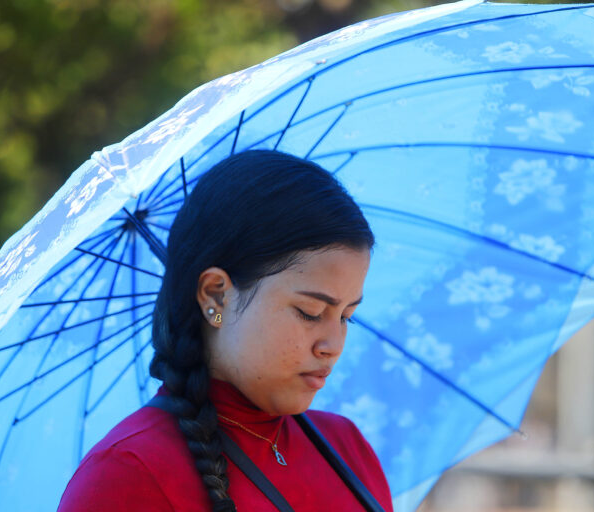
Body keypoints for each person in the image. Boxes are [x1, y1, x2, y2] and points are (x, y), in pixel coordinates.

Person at [57, 150, 393, 511]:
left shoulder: (346, 447)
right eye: (310, 312)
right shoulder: (126, 475)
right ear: (216, 295)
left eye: (346, 316)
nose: (333, 345)